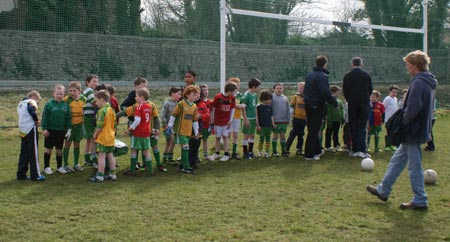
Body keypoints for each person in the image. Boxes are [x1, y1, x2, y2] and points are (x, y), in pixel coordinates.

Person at [367, 50, 437, 210]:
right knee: (397, 161)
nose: (406, 67)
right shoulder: (426, 82)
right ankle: (383, 190)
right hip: (416, 129)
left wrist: (402, 122)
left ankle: (420, 199)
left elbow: (413, 109)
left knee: (414, 166)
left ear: (415, 65)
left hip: (413, 130)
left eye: (408, 64)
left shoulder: (419, 83)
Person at [304, 55, 338, 160]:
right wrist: (334, 103)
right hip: (317, 105)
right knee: (314, 130)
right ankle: (309, 154)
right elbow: (325, 92)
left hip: (308, 104)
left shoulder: (310, 74)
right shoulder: (321, 76)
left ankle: (317, 150)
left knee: (312, 128)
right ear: (324, 64)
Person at [343, 57, 373, 159]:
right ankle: (362, 149)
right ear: (361, 64)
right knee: (363, 126)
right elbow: (370, 89)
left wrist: (349, 99)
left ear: (352, 64)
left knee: (353, 126)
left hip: (352, 103)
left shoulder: (347, 76)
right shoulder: (366, 75)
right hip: (364, 103)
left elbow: (345, 90)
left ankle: (355, 149)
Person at [165, 85, 200, 174]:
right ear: (187, 95)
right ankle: (185, 167)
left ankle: (183, 166)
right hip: (180, 130)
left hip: (188, 131)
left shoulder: (194, 106)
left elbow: (195, 120)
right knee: (186, 147)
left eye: (196, 94)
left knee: (185, 148)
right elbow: (173, 115)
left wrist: (196, 131)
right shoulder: (181, 104)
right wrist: (169, 126)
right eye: (193, 94)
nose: (195, 96)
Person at [41, 84, 72, 175]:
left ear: (64, 94)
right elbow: (45, 117)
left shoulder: (65, 105)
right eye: (57, 94)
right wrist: (44, 128)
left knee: (59, 150)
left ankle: (59, 167)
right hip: (50, 130)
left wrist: (69, 129)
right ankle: (46, 167)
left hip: (61, 131)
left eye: (61, 94)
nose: (59, 96)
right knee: (48, 149)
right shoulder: (49, 104)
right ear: (53, 94)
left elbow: (68, 118)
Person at [123, 88, 155, 176]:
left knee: (133, 150)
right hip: (146, 132)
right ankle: (150, 170)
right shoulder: (149, 106)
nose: (135, 98)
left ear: (142, 97)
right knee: (146, 151)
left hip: (138, 132)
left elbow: (137, 120)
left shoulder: (139, 106)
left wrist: (130, 128)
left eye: (136, 96)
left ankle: (132, 170)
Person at [17, 90, 46, 181]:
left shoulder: (20, 104)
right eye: (38, 101)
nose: (37, 104)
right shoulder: (30, 101)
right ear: (33, 97)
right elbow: (31, 110)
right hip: (30, 129)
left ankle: (21, 174)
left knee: (24, 153)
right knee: (33, 152)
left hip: (22, 130)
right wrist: (36, 120)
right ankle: (36, 174)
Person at [90, 90, 117, 182]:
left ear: (102, 99)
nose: (96, 103)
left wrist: (95, 135)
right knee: (110, 155)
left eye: (96, 100)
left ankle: (100, 176)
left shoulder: (101, 111)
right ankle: (113, 174)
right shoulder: (112, 110)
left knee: (101, 156)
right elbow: (115, 125)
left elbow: (100, 126)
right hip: (111, 137)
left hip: (103, 138)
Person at [209, 82, 237, 162]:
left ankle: (226, 154)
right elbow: (213, 107)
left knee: (225, 137)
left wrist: (230, 120)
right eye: (234, 91)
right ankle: (217, 153)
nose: (234, 93)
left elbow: (233, 109)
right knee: (217, 137)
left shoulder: (232, 98)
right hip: (218, 121)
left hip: (226, 122)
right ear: (229, 91)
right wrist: (212, 118)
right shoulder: (218, 97)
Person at [63, 81, 86, 172]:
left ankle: (76, 163)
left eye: (74, 91)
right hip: (69, 127)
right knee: (67, 144)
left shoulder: (84, 99)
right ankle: (65, 164)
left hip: (79, 126)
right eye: (70, 90)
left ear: (79, 91)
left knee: (77, 143)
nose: (72, 92)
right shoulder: (66, 100)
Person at [160, 87, 182, 166]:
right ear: (172, 93)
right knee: (172, 141)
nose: (180, 96)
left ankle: (165, 158)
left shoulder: (177, 103)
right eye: (178, 94)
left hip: (174, 127)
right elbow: (162, 115)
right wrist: (165, 125)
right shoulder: (167, 103)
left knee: (168, 142)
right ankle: (169, 158)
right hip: (167, 127)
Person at [241, 78, 261, 159]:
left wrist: (256, 119)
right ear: (253, 87)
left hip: (253, 119)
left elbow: (255, 107)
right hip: (248, 119)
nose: (258, 88)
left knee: (252, 135)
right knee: (246, 135)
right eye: (258, 87)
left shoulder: (255, 95)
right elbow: (243, 108)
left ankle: (250, 152)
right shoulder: (246, 96)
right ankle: (245, 153)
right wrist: (245, 119)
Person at [285, 82, 306, 156]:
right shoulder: (295, 97)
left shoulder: (307, 96)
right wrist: (292, 116)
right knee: (293, 133)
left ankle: (299, 149)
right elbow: (292, 107)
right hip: (296, 118)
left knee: (301, 134)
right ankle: (286, 148)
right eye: (299, 88)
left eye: (302, 88)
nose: (301, 90)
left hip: (304, 119)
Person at [227, 77, 246, 160]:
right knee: (227, 135)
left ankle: (234, 152)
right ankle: (226, 152)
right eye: (234, 85)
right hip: (228, 118)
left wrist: (245, 118)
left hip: (237, 117)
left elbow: (243, 106)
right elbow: (229, 105)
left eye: (238, 85)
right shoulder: (227, 95)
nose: (237, 86)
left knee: (235, 135)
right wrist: (238, 106)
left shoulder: (240, 96)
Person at [82, 75, 99, 166]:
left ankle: (87, 158)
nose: (96, 83)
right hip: (88, 116)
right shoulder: (89, 90)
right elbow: (94, 102)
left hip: (89, 116)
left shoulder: (90, 91)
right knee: (93, 138)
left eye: (97, 81)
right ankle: (94, 158)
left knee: (89, 139)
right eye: (94, 81)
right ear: (88, 82)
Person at [271, 83, 290, 157]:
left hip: (284, 120)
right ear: (274, 89)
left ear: (283, 89)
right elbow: (270, 110)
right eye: (277, 88)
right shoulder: (272, 97)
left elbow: (288, 109)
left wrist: (288, 119)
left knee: (283, 135)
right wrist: (271, 120)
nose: (279, 90)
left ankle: (283, 151)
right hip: (275, 121)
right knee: (275, 135)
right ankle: (274, 151)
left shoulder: (285, 98)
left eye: (280, 88)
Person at [324, 85, 344, 152]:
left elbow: (341, 110)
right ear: (332, 92)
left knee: (336, 134)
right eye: (337, 93)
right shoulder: (329, 101)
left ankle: (336, 145)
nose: (338, 94)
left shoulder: (339, 101)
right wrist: (329, 120)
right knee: (329, 133)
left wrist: (342, 119)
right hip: (331, 120)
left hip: (337, 120)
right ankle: (328, 146)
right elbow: (328, 111)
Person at [256, 90, 275, 158]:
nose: (270, 101)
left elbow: (271, 116)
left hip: (269, 126)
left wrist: (273, 123)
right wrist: (257, 125)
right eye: (269, 99)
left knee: (268, 139)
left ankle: (267, 152)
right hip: (262, 126)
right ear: (264, 99)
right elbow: (257, 116)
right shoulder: (258, 107)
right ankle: (260, 151)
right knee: (261, 140)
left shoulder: (270, 107)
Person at [197, 84, 212, 162]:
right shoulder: (199, 102)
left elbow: (211, 113)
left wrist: (211, 123)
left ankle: (206, 155)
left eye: (207, 90)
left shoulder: (209, 102)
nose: (206, 92)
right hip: (199, 125)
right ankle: (195, 155)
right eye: (204, 91)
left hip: (206, 124)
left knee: (205, 139)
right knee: (197, 140)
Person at [383, 85, 399, 151]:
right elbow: (383, 108)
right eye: (393, 92)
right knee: (387, 132)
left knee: (393, 132)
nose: (394, 94)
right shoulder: (387, 99)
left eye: (396, 92)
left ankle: (392, 145)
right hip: (388, 119)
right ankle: (387, 146)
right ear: (389, 91)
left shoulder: (395, 99)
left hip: (394, 119)